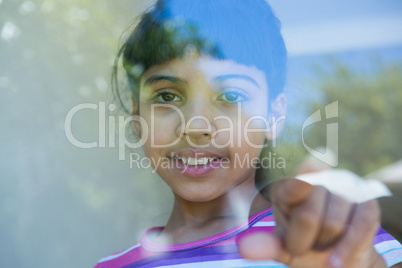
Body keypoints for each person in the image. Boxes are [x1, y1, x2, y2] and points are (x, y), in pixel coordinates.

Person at [94, 0, 402, 267]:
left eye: (231, 96)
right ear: (137, 117)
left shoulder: (335, 240)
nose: (196, 126)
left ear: (274, 116)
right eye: (166, 97)